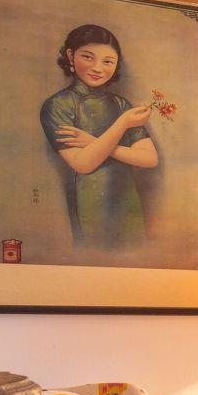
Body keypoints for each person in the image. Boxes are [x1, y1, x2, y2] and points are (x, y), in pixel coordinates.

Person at [38, 23, 156, 250]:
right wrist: (123, 124)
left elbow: (149, 159)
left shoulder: (121, 105)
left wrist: (93, 142)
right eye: (88, 57)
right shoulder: (58, 105)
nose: (97, 68)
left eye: (108, 62)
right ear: (70, 56)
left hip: (127, 200)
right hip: (89, 200)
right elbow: (83, 163)